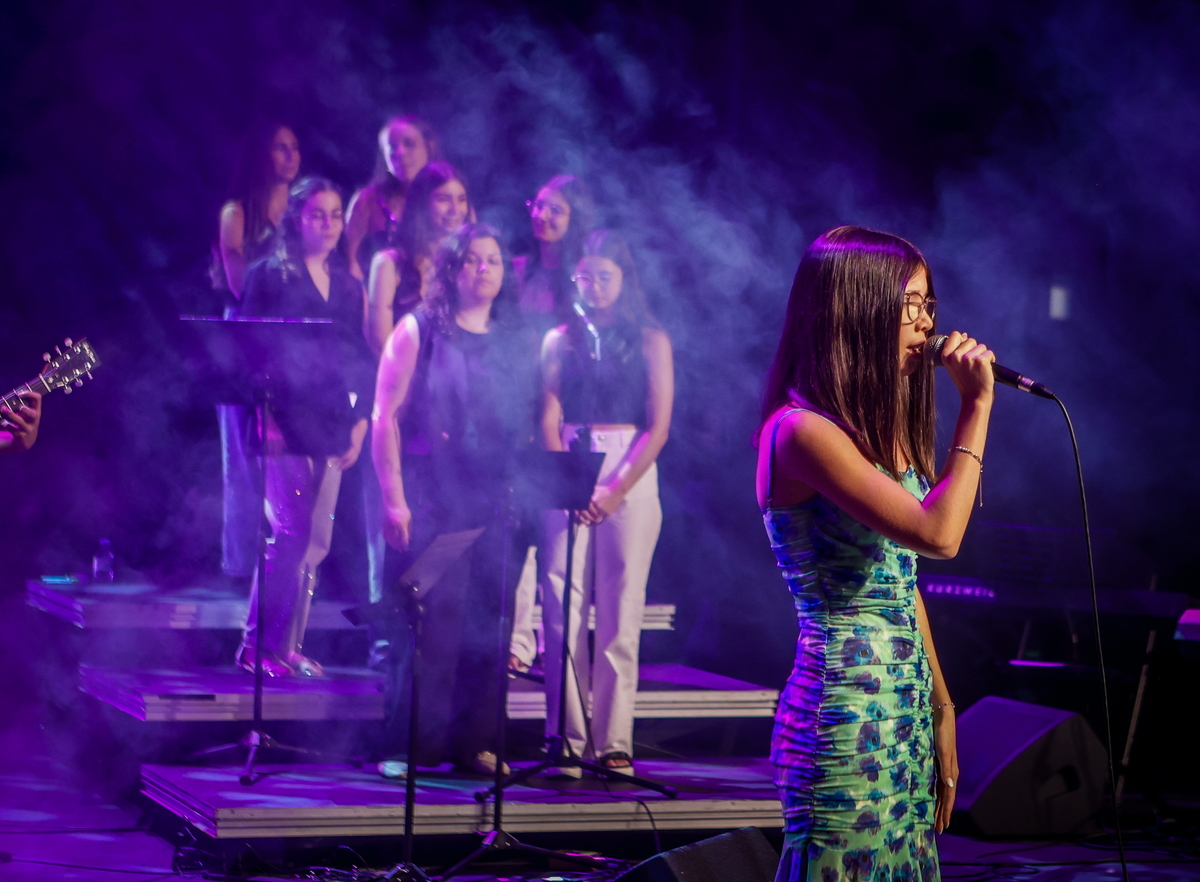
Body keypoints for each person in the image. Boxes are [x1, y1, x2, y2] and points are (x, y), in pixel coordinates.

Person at [756, 226, 994, 881]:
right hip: (845, 712)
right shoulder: (800, 432)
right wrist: (976, 406)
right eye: (909, 304)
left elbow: (900, 582)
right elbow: (940, 536)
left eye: (928, 304)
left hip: (902, 709)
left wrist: (942, 706)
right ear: (856, 310)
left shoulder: (876, 434)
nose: (927, 322)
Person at [371, 222, 538, 776]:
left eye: (494, 260)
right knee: (428, 625)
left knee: (489, 622)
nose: (484, 269)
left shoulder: (512, 337)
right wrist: (394, 499)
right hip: (432, 494)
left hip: (494, 498)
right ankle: (410, 747)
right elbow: (385, 417)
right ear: (451, 269)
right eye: (472, 259)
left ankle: (477, 744)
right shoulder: (418, 329)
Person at [538, 230, 673, 778]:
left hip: (629, 462)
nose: (593, 286)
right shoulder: (559, 339)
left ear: (623, 279)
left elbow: (659, 425)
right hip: (569, 456)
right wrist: (566, 479)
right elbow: (547, 414)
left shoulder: (650, 339)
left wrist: (614, 489)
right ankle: (564, 738)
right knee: (559, 603)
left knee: (622, 608)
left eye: (604, 276)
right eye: (584, 277)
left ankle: (613, 741)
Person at [235, 176, 374, 678]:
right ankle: (256, 646)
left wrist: (360, 422)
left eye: (336, 215)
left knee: (316, 541)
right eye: (318, 214)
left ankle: (287, 646)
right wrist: (264, 417)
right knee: (289, 534)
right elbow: (249, 354)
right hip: (283, 420)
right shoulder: (269, 275)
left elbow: (358, 360)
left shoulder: (348, 285)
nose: (330, 224)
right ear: (298, 219)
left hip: (331, 422)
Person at [508, 175, 597, 674]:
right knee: (522, 525)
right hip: (520, 403)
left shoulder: (583, 275)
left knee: (559, 536)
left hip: (566, 409)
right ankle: (519, 641)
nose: (541, 216)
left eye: (554, 209)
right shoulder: (519, 270)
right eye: (537, 205)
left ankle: (556, 642)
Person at [213, 122, 302, 586]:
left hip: (295, 337)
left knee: (290, 455)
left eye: (294, 147)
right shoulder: (238, 212)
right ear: (260, 154)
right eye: (279, 147)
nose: (290, 155)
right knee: (242, 456)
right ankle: (240, 566)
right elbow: (238, 285)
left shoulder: (302, 207)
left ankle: (286, 561)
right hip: (246, 333)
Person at [363, 161, 470, 357]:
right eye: (443, 199)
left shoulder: (467, 261)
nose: (455, 209)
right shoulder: (389, 263)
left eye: (462, 200)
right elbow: (381, 343)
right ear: (421, 203)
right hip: (404, 371)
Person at [345, 115, 440, 282]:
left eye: (409, 144)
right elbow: (350, 261)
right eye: (392, 147)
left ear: (429, 147)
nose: (400, 153)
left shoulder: (450, 198)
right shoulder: (368, 200)